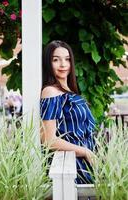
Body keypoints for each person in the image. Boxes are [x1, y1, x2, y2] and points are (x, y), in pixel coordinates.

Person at [40, 40, 96, 184]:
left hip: (85, 164)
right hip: (71, 166)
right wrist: (84, 151)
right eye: (56, 60)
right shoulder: (50, 92)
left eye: (67, 59)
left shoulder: (71, 92)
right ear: (48, 63)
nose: (63, 64)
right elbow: (49, 140)